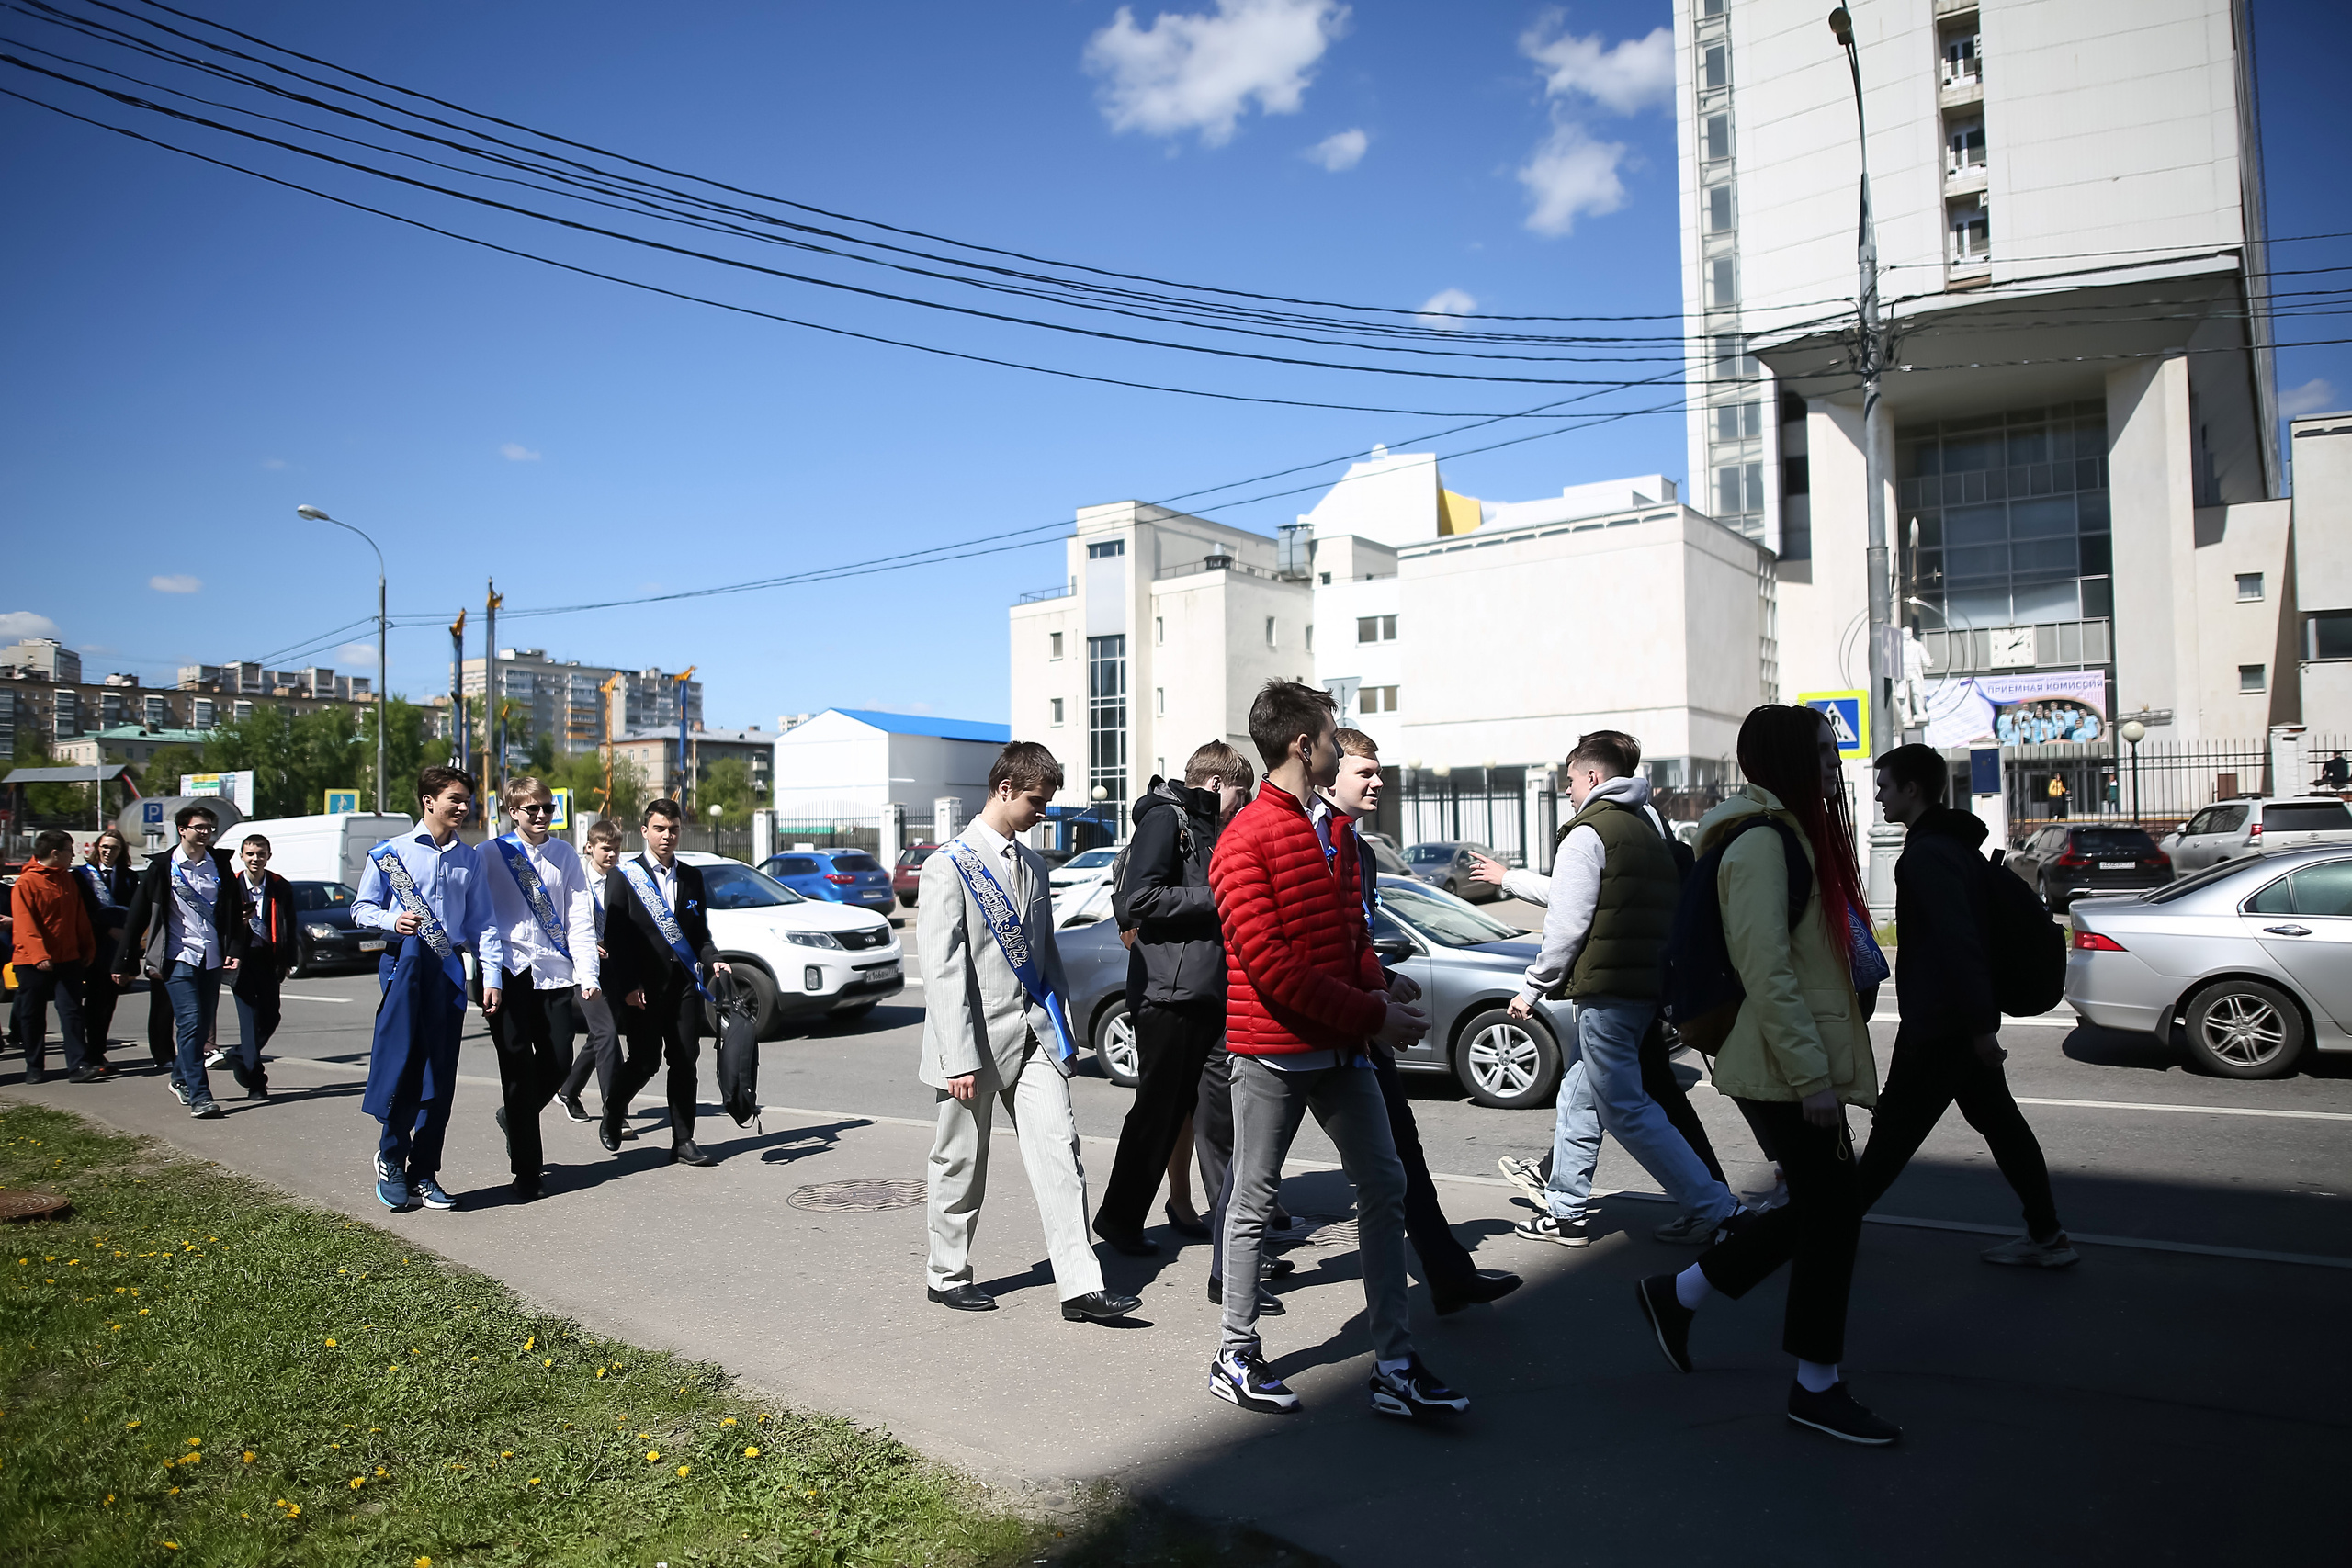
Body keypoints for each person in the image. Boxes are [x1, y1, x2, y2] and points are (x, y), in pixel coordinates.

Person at [1634, 705, 1898, 1446]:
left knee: (1823, 1207)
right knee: (1834, 1212)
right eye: (1815, 752)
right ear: (1780, 757)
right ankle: (1816, 1384)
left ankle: (1679, 1295)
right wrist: (1812, 1075)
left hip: (1785, 1059)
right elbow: (1768, 969)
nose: (1830, 764)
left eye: (1830, 751)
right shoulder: (1762, 842)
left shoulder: (1788, 834)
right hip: (1780, 1065)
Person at [1206, 680, 1463, 1422]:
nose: (1336, 742)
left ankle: (1394, 1361)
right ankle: (1236, 1351)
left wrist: (1381, 984)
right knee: (1254, 1199)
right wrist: (1372, 1017)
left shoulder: (1339, 834)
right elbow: (1272, 967)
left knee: (1384, 1187)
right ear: (1301, 744)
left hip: (1343, 1045)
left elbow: (1345, 939)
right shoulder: (1246, 838)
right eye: (1328, 732)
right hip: (1273, 1050)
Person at [1490, 733, 1745, 1249]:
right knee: (1579, 1096)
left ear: (1592, 778)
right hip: (1642, 987)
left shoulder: (1588, 833)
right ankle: (1565, 1212)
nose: (1567, 792)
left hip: (1606, 992)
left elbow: (1567, 922)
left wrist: (1532, 989)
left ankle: (1718, 1209)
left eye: (1569, 782)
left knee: (1627, 1109)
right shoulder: (1646, 826)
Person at [918, 741, 1139, 1325]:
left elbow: (1045, 961)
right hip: (971, 1042)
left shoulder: (1034, 865)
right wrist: (958, 1057)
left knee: (1061, 1154)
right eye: (1037, 802)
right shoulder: (949, 866)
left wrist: (1063, 1031)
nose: (1043, 813)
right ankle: (947, 1274)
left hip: (1034, 1035)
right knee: (961, 1162)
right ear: (1005, 790)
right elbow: (942, 973)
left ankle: (1080, 1286)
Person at [1322, 728, 1521, 1315]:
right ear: (1328, 773)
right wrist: (1369, 995)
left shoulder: (1358, 845)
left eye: (1378, 771)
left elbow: (1350, 936)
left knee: (1399, 1160)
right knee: (1256, 1177)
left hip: (1359, 1027)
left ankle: (1447, 1276)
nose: (1378, 782)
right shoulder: (1312, 839)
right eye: (1364, 772)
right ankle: (1235, 1298)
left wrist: (1381, 977)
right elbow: (1305, 946)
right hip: (1303, 1035)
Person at [1863, 744, 2075, 1267]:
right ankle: (2047, 1235)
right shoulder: (1954, 845)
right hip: (1955, 1023)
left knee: (1889, 1141)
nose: (1880, 794)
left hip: (1939, 1027)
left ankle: (1818, 1236)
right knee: (2001, 1124)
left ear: (1912, 789)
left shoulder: (1928, 854)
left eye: (1885, 785)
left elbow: (1958, 944)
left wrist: (1982, 1028)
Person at [1092, 740, 1254, 1257]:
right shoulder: (1167, 820)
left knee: (1217, 1115)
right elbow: (1137, 898)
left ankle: (1237, 1244)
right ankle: (1119, 1220)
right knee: (1158, 1111)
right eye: (1240, 793)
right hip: (1169, 993)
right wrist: (1216, 897)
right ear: (1214, 784)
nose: (1243, 803)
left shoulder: (1212, 828)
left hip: (1209, 989)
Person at [354, 766, 505, 1212]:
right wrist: (391, 921)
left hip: (448, 969)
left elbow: (483, 925)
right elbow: (361, 908)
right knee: (404, 1065)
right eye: (454, 799)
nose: (463, 807)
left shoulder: (470, 858)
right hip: (404, 965)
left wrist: (491, 977)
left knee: (440, 1075)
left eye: (466, 800)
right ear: (428, 801)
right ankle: (391, 1158)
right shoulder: (390, 853)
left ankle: (425, 1170)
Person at [481, 777, 601, 1201]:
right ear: (512, 811)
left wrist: (589, 975)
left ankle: (514, 1117)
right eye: (531, 808)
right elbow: (478, 916)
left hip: (553, 974)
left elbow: (579, 919)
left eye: (547, 808)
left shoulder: (564, 854)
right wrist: (484, 971)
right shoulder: (491, 855)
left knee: (557, 1062)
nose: (541, 815)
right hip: (508, 974)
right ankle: (527, 1171)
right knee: (515, 1071)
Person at [601, 798, 729, 1166]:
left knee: (686, 1059)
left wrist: (714, 960)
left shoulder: (692, 876)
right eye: (659, 829)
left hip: (683, 985)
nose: (667, 836)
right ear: (645, 831)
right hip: (642, 987)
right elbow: (616, 937)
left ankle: (683, 1139)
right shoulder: (624, 877)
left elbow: (699, 934)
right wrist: (628, 985)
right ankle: (614, 1107)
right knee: (644, 1061)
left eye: (673, 829)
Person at [113, 803, 251, 1118]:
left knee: (202, 1027)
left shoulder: (218, 864)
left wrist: (234, 949)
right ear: (182, 829)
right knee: (189, 1023)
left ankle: (179, 1077)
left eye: (209, 829)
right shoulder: (162, 867)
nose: (205, 834)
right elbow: (137, 917)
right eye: (199, 827)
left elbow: (232, 911)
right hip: (178, 955)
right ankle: (200, 1094)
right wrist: (122, 961)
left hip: (211, 956)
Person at [554, 818, 627, 1130]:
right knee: (607, 1034)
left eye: (616, 850)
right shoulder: (575, 878)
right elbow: (557, 921)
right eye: (605, 849)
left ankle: (568, 1089)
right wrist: (582, 946)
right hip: (580, 969)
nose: (611, 855)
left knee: (600, 1036)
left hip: (611, 969)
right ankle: (615, 1112)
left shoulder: (619, 880)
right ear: (589, 847)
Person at [13, 830, 98, 1084]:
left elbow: (79, 917)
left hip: (68, 958)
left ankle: (78, 1066)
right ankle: (34, 1066)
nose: (73, 855)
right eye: (69, 850)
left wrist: (87, 948)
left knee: (72, 1011)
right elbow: (25, 923)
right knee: (32, 1015)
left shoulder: (67, 880)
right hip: (32, 961)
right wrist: (39, 955)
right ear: (55, 853)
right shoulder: (26, 883)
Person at [228, 833, 298, 1101]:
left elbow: (290, 924)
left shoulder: (280, 886)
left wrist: (289, 960)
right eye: (251, 854)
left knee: (271, 1016)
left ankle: (238, 1055)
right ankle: (256, 1081)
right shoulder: (231, 885)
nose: (256, 859)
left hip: (269, 959)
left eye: (261, 854)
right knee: (249, 1019)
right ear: (242, 856)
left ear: (269, 856)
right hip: (241, 960)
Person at [74, 827, 138, 1068]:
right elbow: (81, 911)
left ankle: (97, 1052)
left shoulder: (129, 877)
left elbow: (135, 911)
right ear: (97, 848)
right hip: (90, 944)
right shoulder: (81, 875)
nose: (109, 851)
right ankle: (86, 1053)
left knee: (107, 1003)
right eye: (105, 847)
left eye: (114, 848)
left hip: (117, 949)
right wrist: (106, 929)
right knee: (88, 1004)